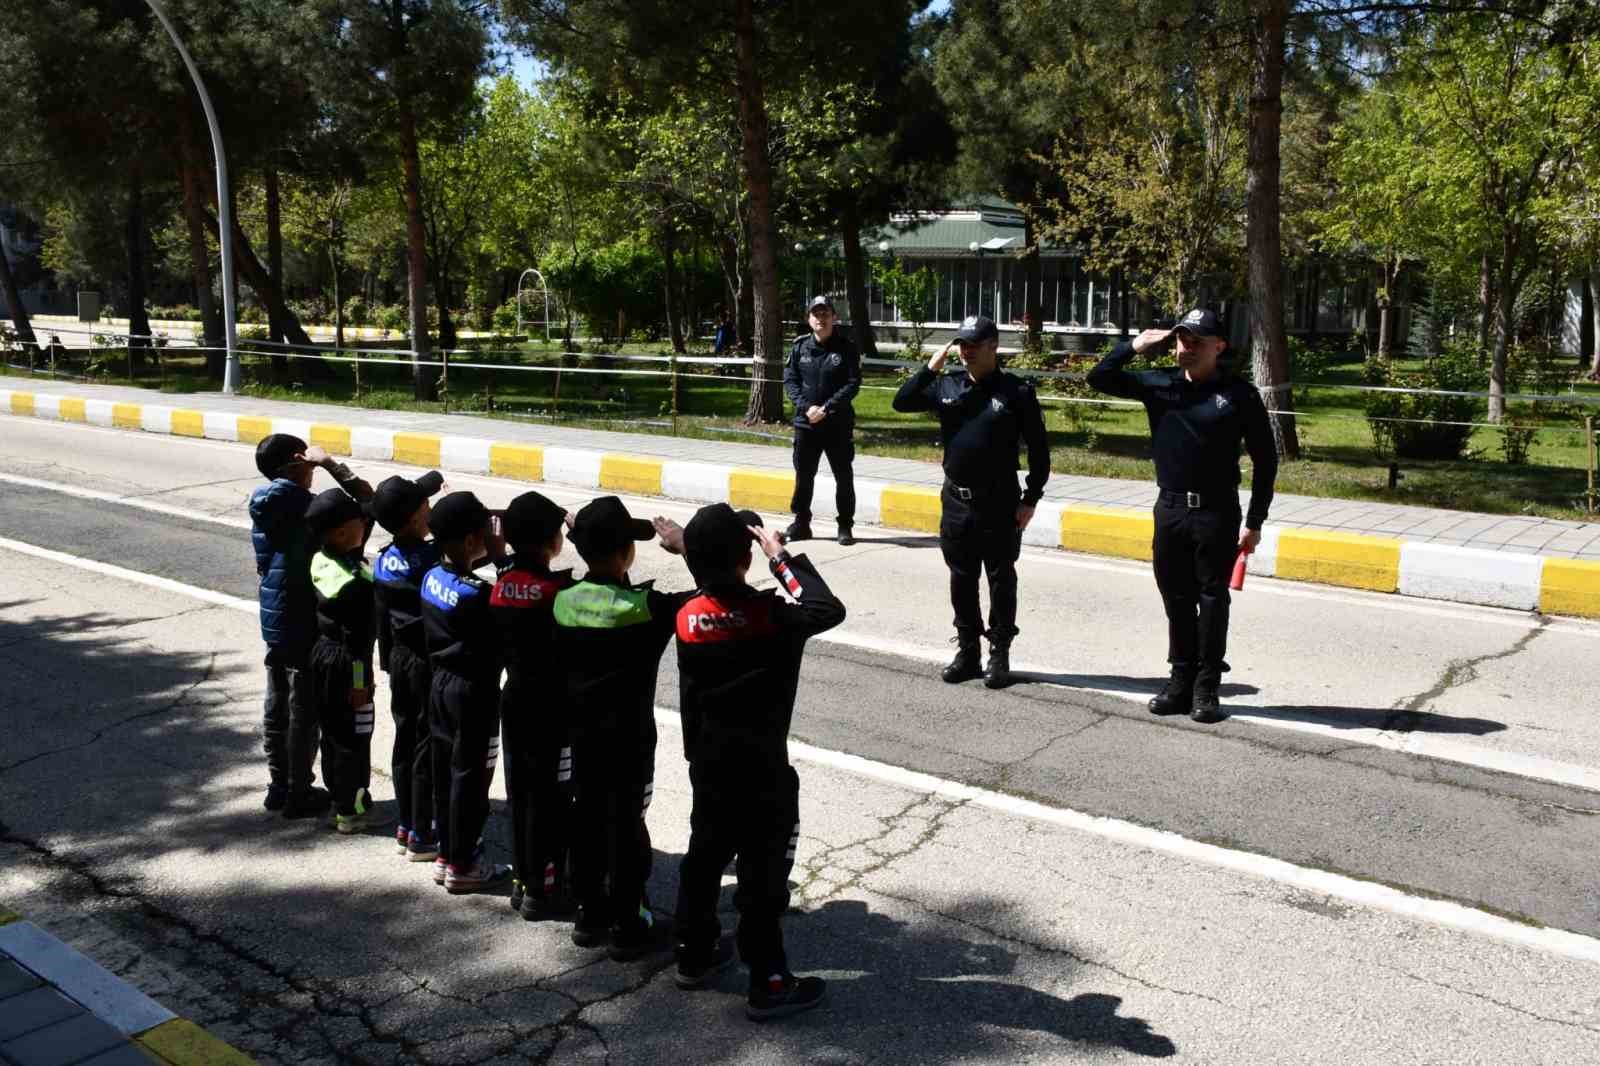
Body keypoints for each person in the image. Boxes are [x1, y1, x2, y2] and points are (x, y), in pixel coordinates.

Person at [670, 503, 845, 1021]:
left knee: (703, 857)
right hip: (763, 768)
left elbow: (712, 591)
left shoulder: (685, 615)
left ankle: (694, 953)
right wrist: (781, 557)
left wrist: (693, 551)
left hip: (708, 763)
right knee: (764, 875)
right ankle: (768, 979)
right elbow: (825, 607)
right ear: (747, 556)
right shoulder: (773, 616)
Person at [1086, 308, 1279, 723]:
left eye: (1195, 340)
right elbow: (1099, 377)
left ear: (1218, 346)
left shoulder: (1239, 394)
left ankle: (1207, 685)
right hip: (1170, 508)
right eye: (1180, 339)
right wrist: (1136, 345)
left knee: (1211, 600)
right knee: (1175, 596)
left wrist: (1255, 520)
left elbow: (1266, 460)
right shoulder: (1160, 386)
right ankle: (1180, 679)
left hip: (1216, 510)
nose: (1185, 347)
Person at [553, 496, 689, 961]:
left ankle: (589, 915)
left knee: (587, 819)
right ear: (628, 553)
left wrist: (581, 533)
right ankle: (630, 923)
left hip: (581, 735)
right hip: (629, 739)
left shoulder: (561, 601)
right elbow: (712, 591)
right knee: (627, 826)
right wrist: (686, 547)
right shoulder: (646, 608)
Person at [891, 315, 1050, 690]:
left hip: (999, 501)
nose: (965, 351)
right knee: (961, 578)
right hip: (956, 500)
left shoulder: (1016, 392)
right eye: (961, 344)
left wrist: (1031, 499)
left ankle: (999, 653)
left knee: (1000, 578)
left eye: (973, 344)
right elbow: (902, 402)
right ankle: (968, 651)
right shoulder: (947, 385)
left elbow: (1040, 453)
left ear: (994, 346)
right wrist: (929, 369)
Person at [248, 433, 372, 819]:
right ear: (298, 463)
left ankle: (279, 784)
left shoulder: (262, 501)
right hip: (305, 616)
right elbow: (368, 503)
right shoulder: (308, 506)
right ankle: (299, 792)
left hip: (274, 614)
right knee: (305, 707)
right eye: (308, 463)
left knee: (277, 700)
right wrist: (331, 463)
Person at [491, 491, 578, 922]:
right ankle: (545, 888)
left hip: (515, 701)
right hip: (553, 711)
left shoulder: (502, 583)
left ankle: (522, 880)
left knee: (520, 793)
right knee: (553, 797)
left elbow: (506, 563)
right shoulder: (558, 592)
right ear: (554, 541)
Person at [421, 491, 511, 893]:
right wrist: (502, 559)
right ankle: (465, 862)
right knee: (472, 778)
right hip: (474, 691)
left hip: (439, 683)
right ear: (475, 540)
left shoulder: (431, 577)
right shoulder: (477, 593)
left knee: (445, 772)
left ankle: (447, 853)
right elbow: (507, 614)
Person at [371, 471, 447, 862]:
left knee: (404, 739)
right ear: (417, 518)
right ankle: (422, 831)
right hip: (423, 663)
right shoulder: (430, 558)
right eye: (425, 506)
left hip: (397, 660)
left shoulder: (383, 560)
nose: (430, 508)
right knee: (425, 746)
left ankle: (405, 822)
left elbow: (381, 618)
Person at [305, 488, 383, 834]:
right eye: (358, 522)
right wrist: (360, 683)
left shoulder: (322, 558)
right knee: (355, 735)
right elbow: (358, 642)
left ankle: (341, 796)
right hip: (348, 664)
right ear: (339, 532)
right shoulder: (355, 584)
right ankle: (349, 810)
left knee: (333, 733)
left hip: (321, 655)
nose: (365, 524)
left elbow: (368, 508)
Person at [783, 295, 862, 546]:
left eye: (825, 314)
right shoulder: (799, 347)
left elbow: (852, 384)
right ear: (809, 319)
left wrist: (826, 408)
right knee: (804, 475)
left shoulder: (847, 347)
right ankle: (802, 522)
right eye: (816, 314)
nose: (821, 319)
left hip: (837, 424)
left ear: (834, 317)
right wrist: (807, 408)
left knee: (843, 476)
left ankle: (845, 525)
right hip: (806, 424)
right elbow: (791, 381)